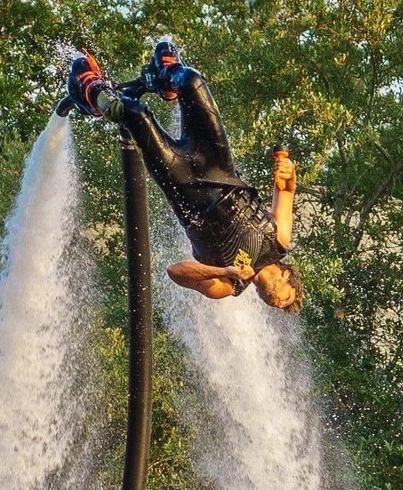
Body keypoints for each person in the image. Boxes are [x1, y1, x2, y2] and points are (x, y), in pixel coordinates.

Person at [66, 42, 302, 313]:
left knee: (133, 113)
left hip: (182, 188)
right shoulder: (279, 239)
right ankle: (167, 73)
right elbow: (285, 190)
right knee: (192, 80)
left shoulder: (228, 286)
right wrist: (288, 173)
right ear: (287, 276)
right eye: (287, 298)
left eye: (281, 306)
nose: (278, 303)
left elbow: (175, 271)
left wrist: (226, 270)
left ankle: (91, 91)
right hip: (218, 166)